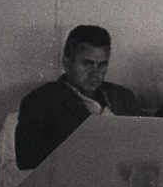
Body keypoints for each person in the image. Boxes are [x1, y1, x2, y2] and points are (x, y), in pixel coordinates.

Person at [15, 25, 142, 170]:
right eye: (87, 64)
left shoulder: (124, 97)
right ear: (67, 63)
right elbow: (26, 162)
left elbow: (145, 148)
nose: (95, 73)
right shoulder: (39, 102)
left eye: (102, 65)